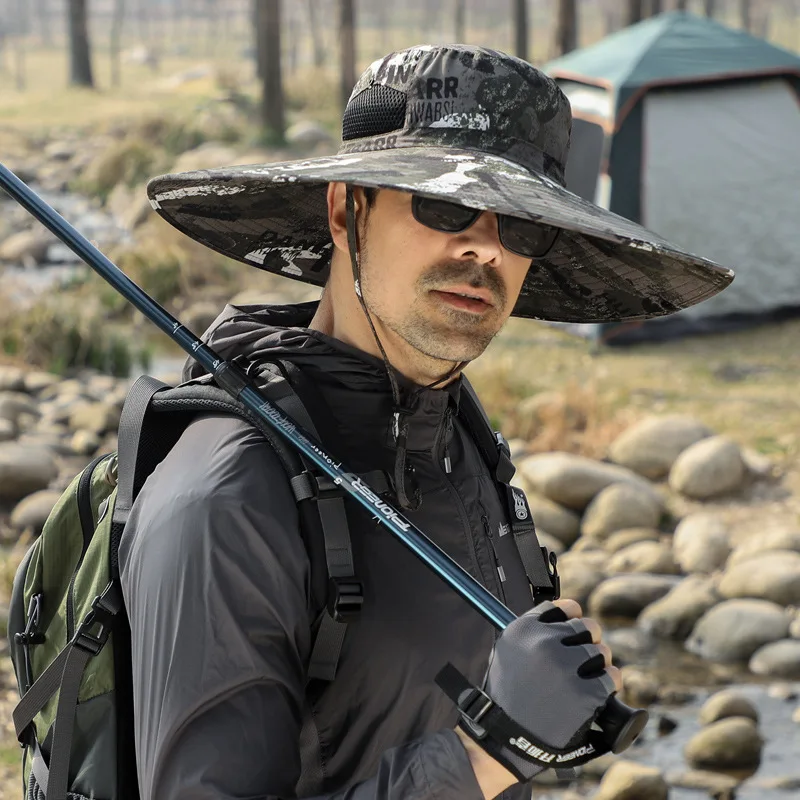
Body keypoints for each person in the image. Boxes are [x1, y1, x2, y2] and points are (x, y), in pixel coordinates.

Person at [123, 45, 733, 800]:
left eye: (522, 225)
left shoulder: (460, 444)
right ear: (348, 211)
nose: (484, 246)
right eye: (444, 205)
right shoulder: (225, 502)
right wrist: (491, 750)